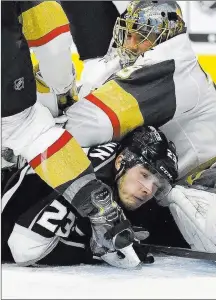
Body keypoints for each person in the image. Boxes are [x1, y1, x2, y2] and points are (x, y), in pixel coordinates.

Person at [37, 1, 216, 273]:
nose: (131, 41)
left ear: (158, 37)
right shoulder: (164, 58)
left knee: (200, 202)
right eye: (131, 33)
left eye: (139, 35)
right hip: (169, 180)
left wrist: (33, 131)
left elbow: (85, 125)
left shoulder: (166, 68)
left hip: (213, 174)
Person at [1, 1, 142, 269]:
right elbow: (52, 42)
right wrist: (63, 85)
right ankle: (103, 213)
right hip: (7, 90)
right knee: (33, 131)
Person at [1, 126, 179, 268]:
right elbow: (25, 249)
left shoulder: (112, 170)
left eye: (158, 185)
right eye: (145, 175)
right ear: (121, 161)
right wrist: (95, 252)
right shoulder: (92, 177)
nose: (148, 190)